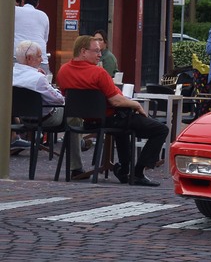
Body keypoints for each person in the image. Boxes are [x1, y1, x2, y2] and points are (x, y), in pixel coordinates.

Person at [56, 35, 169, 186]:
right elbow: (115, 100)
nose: (100, 54)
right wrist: (136, 105)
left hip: (88, 122)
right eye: (96, 51)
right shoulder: (99, 73)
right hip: (110, 118)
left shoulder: (63, 71)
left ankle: (124, 170)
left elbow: (66, 95)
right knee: (160, 129)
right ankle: (138, 172)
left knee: (122, 126)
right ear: (83, 51)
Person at [11, 41, 88, 175]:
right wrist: (55, 89)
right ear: (29, 58)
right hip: (46, 118)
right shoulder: (38, 78)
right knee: (74, 116)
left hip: (22, 119)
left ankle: (79, 142)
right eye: (39, 56)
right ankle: (76, 165)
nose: (42, 60)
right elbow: (58, 100)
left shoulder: (10, 74)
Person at [14, 0, 50, 73]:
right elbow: (45, 40)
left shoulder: (14, 11)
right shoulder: (44, 16)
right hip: (40, 59)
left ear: (23, 0)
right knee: (43, 82)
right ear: (37, 4)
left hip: (17, 56)